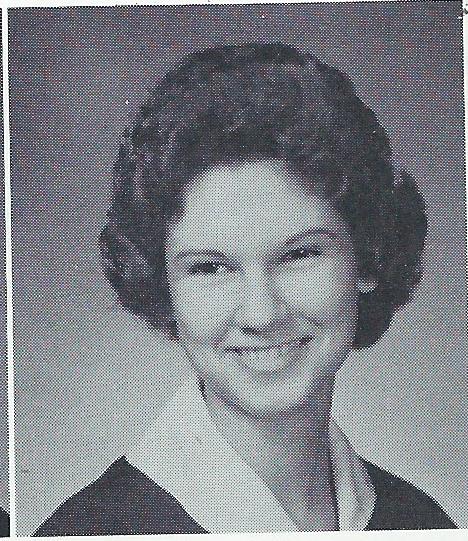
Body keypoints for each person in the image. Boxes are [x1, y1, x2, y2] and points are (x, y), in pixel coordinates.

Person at [35, 42, 456, 536]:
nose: (261, 313)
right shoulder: (91, 531)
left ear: (367, 257)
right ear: (163, 288)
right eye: (211, 268)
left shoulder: (420, 521)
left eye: (299, 255)